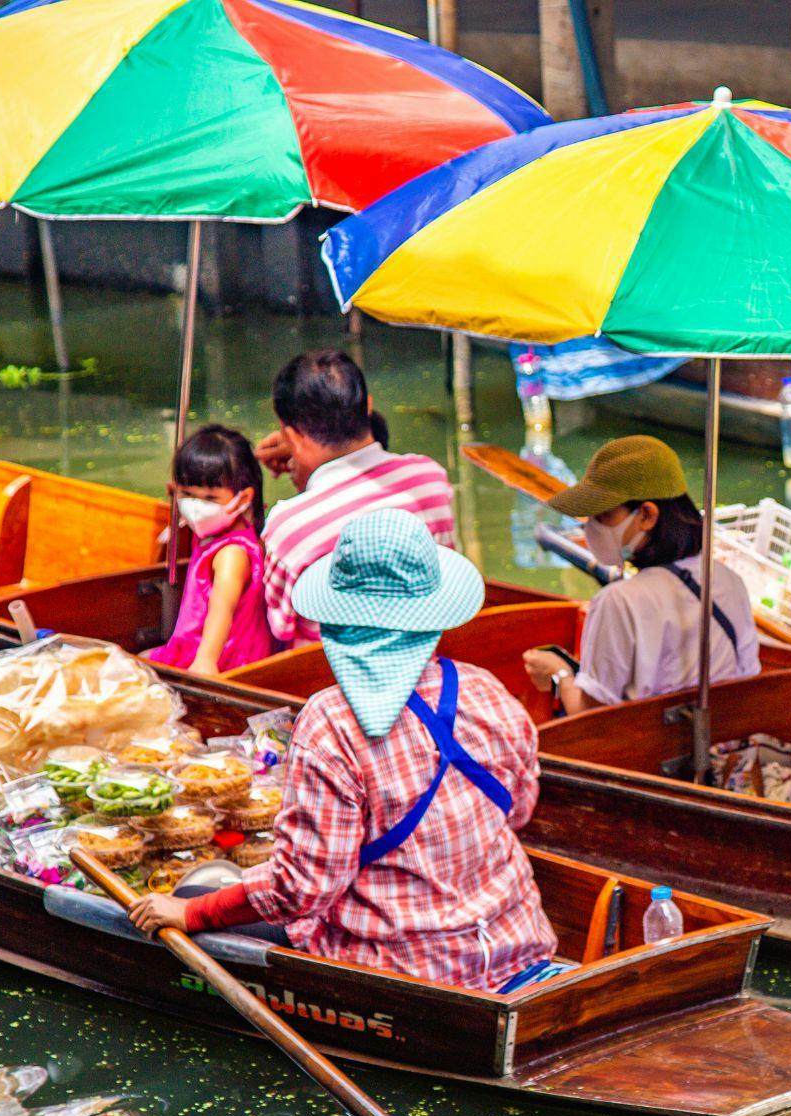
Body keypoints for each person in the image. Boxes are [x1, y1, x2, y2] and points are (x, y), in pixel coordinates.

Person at [128, 510, 559, 992]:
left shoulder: (332, 723)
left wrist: (192, 909)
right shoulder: (488, 691)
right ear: (432, 618)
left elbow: (301, 889)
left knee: (194, 889)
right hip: (519, 940)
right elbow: (517, 811)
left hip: (404, 971)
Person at [520, 436, 760, 713]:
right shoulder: (729, 580)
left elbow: (590, 715)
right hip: (725, 739)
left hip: (652, 750)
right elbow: (748, 676)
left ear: (647, 515)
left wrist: (561, 675)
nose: (591, 529)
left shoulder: (617, 601)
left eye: (604, 516)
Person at [254, 351, 457, 644]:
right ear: (369, 406)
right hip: (426, 651)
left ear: (292, 435)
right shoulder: (429, 479)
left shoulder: (287, 526)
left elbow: (280, 628)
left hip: (328, 679)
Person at [143, 426, 277, 675]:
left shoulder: (231, 554)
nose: (196, 506)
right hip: (189, 646)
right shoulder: (214, 534)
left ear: (244, 498)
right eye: (187, 495)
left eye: (210, 498)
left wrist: (206, 660)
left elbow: (221, 608)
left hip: (222, 659)